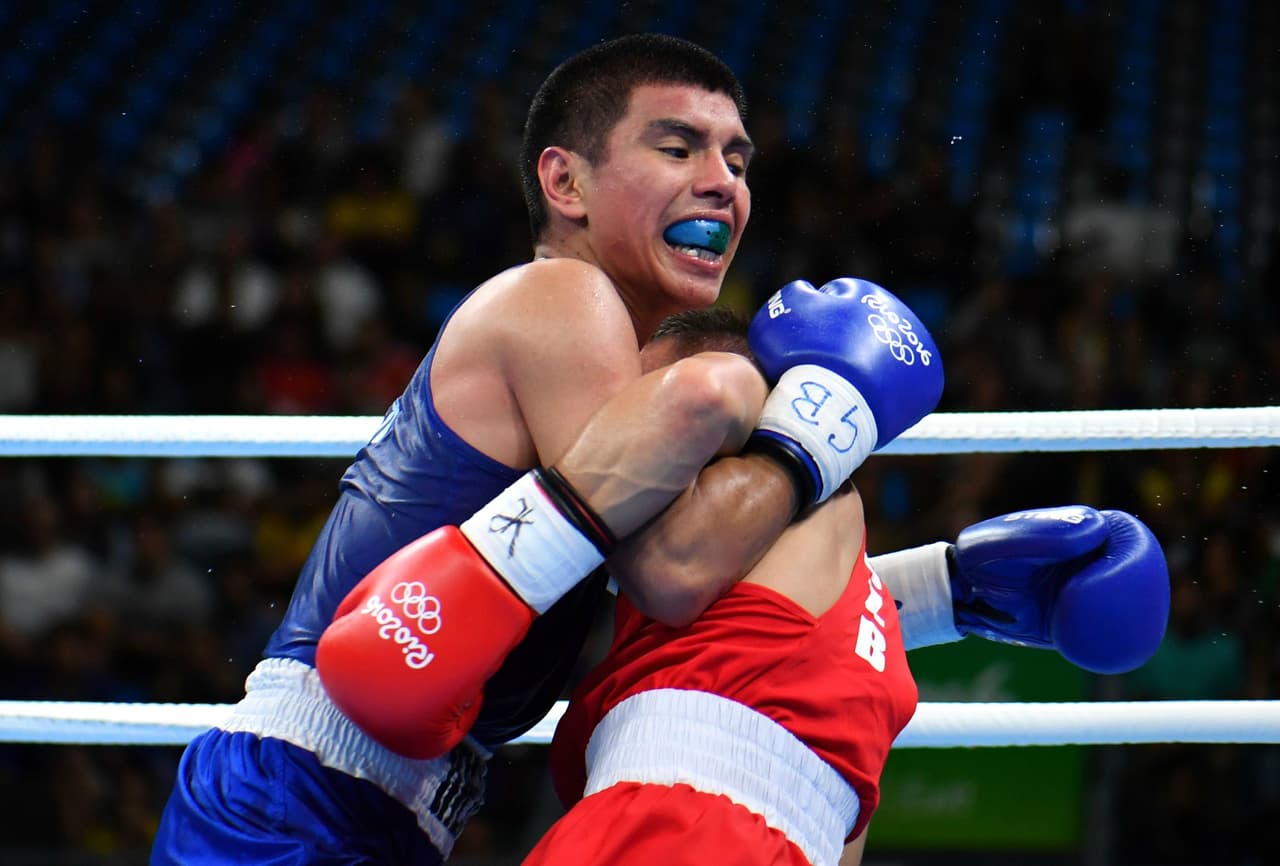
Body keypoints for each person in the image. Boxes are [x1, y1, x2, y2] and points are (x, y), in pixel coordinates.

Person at [151, 33, 944, 866]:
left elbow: (704, 595)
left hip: (377, 805)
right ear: (566, 183)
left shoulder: (621, 389)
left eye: (738, 161)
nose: (723, 181)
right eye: (678, 148)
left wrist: (947, 590)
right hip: (299, 793)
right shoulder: (565, 296)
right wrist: (817, 431)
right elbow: (674, 568)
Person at [526, 311, 1172, 866]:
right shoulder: (847, 599)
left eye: (644, 400)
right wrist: (951, 595)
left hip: (681, 829)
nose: (612, 437)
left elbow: (677, 568)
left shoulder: (770, 516)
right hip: (677, 825)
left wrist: (814, 421)